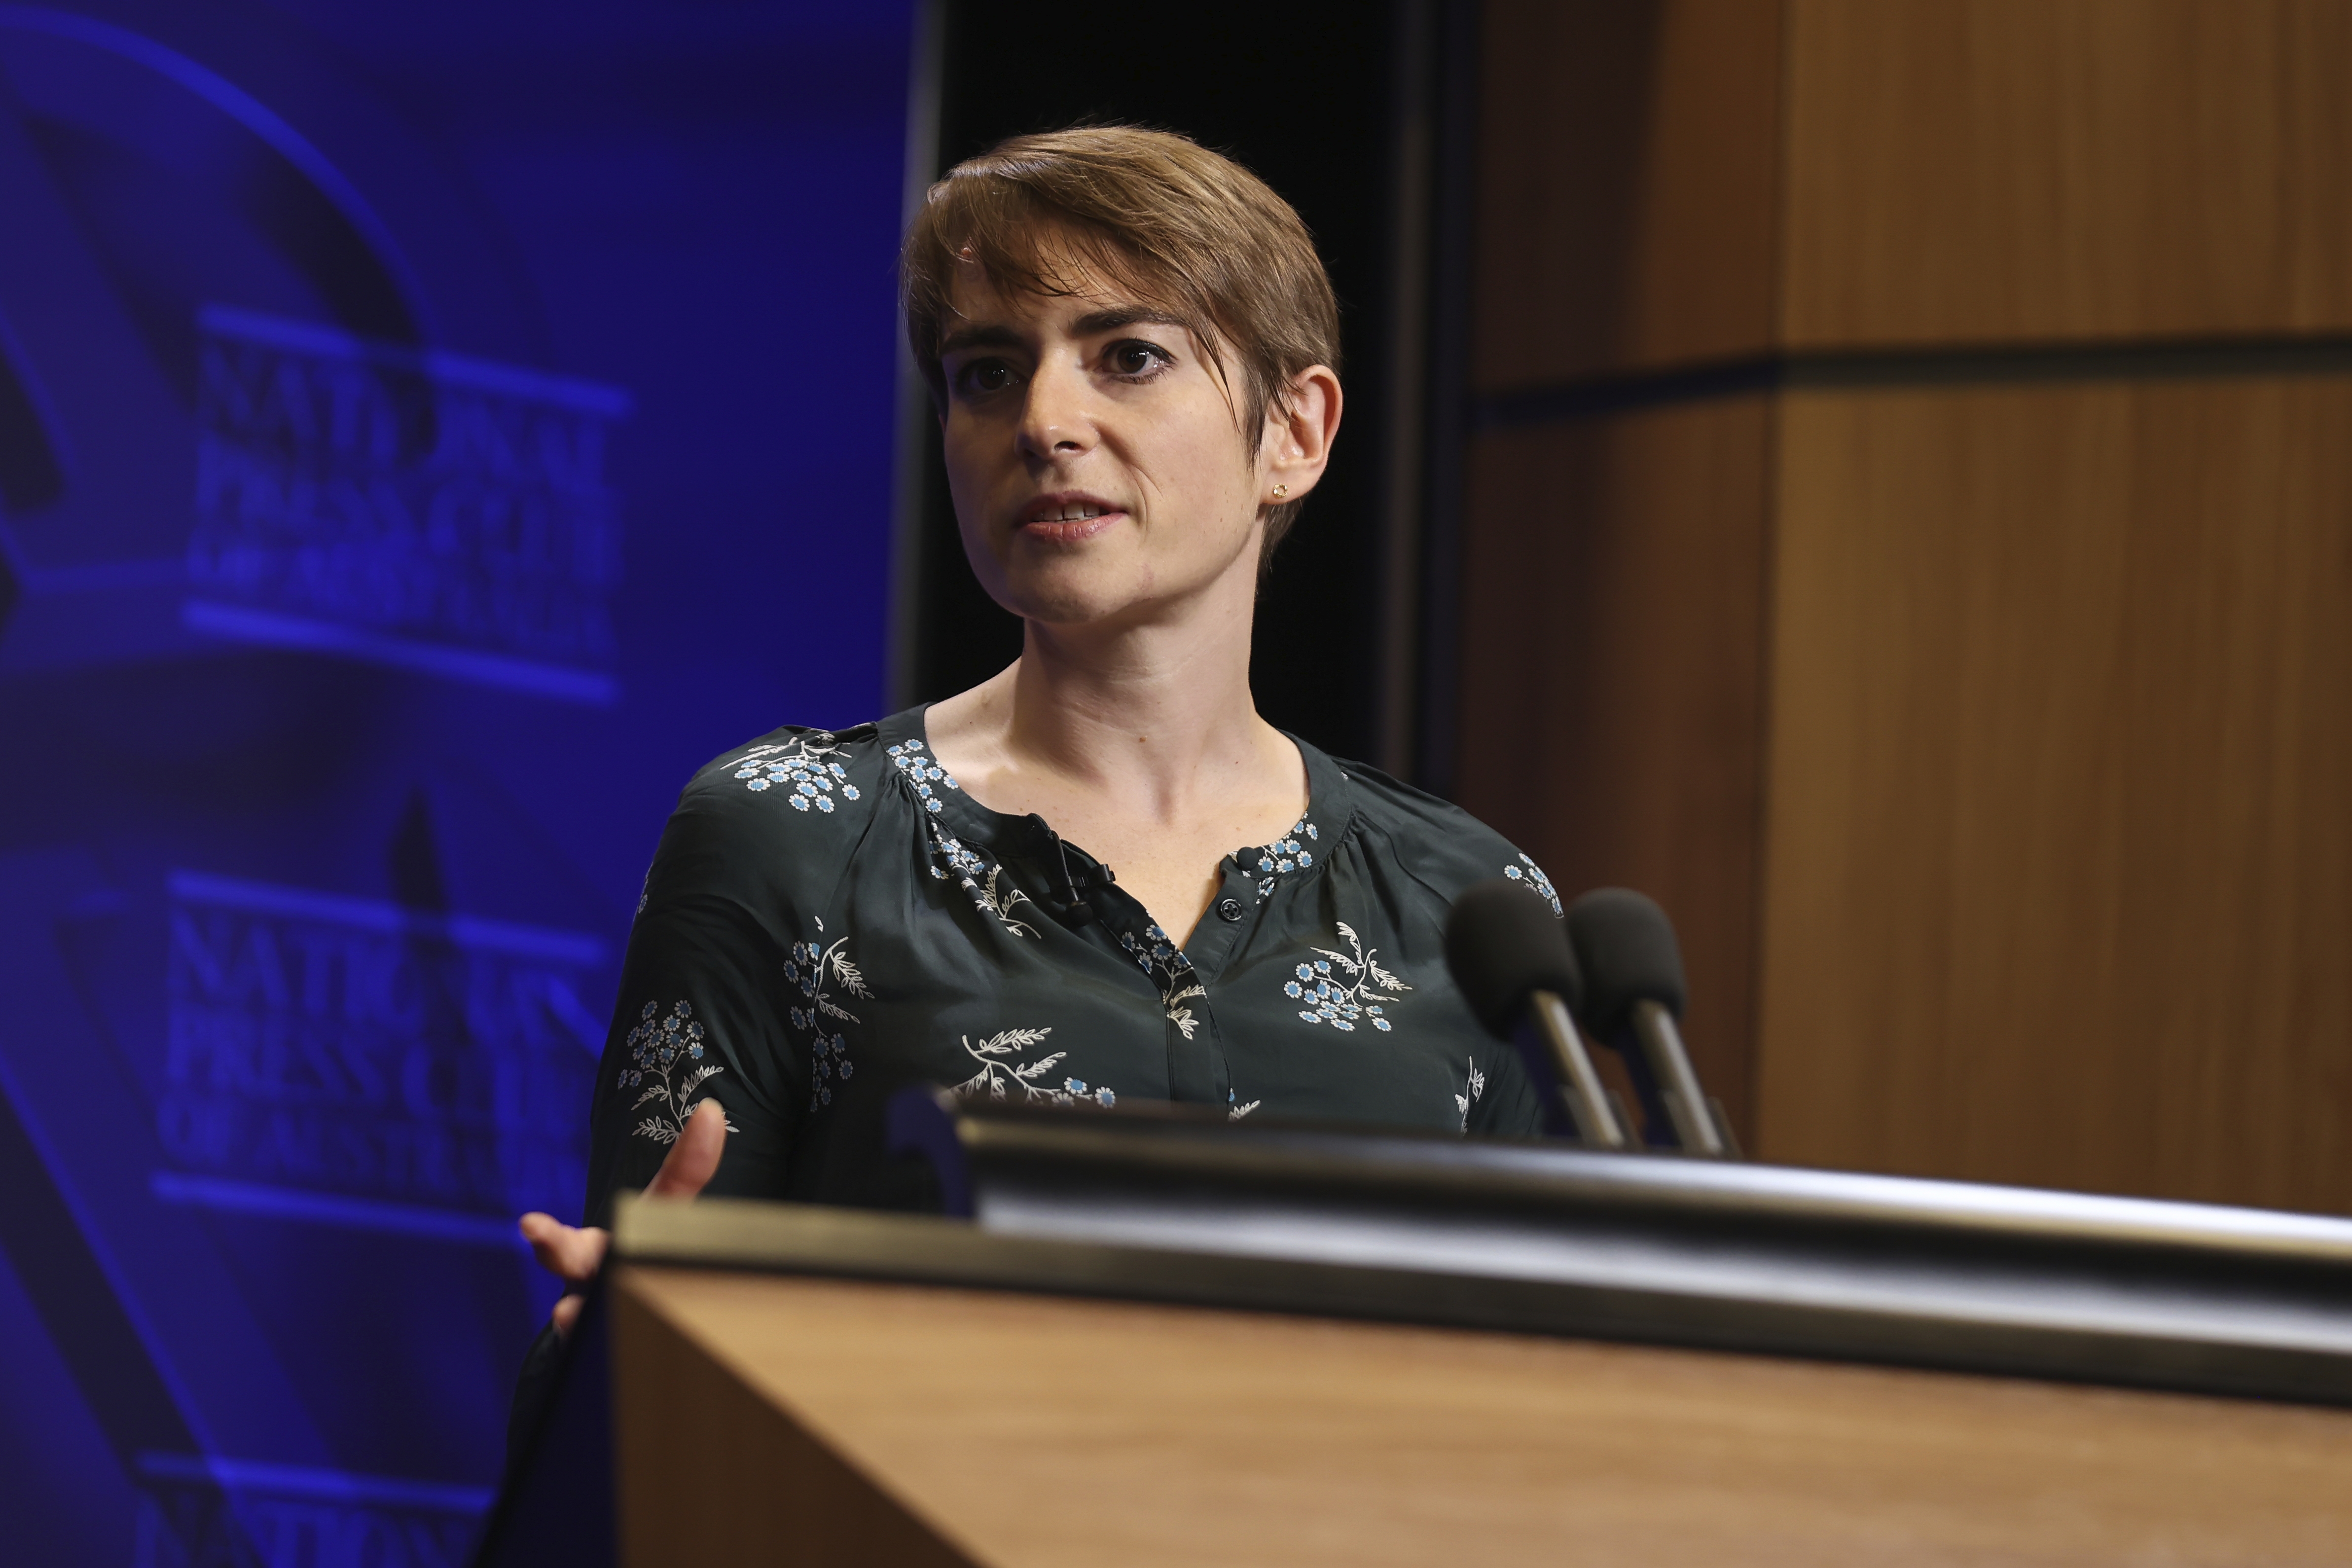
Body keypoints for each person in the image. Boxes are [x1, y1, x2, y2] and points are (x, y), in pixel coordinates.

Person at [516, 126, 1563, 1350]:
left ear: (1297, 433)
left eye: (1128, 356)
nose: (1046, 420)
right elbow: (637, 1427)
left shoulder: (1476, 911)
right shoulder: (785, 836)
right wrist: (622, 1371)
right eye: (989, 371)